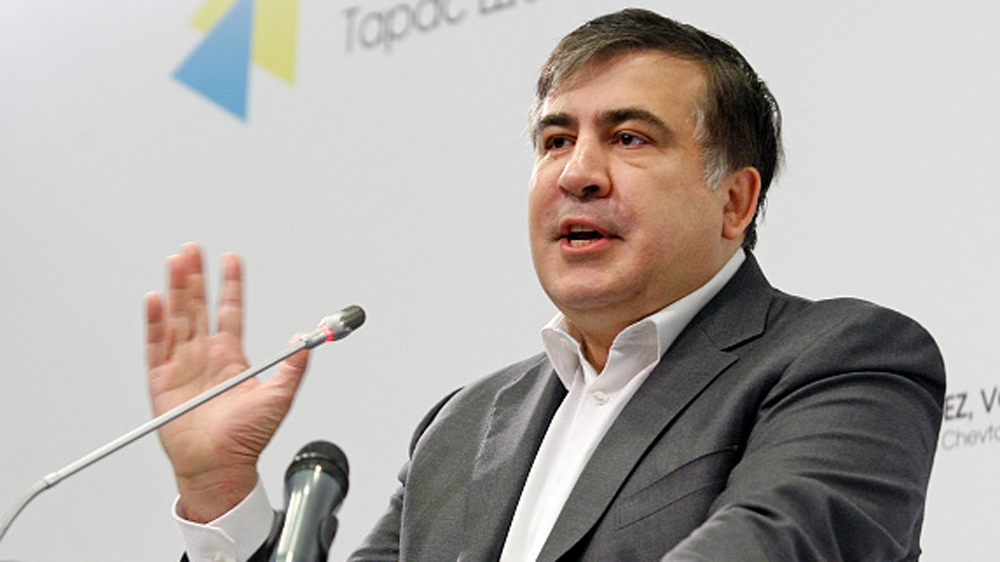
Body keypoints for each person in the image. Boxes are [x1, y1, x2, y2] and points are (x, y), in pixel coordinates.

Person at [149, 8, 945, 561]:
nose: (577, 173)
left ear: (735, 201)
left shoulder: (845, 361)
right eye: (556, 139)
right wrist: (221, 495)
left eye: (628, 137)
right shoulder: (461, 428)